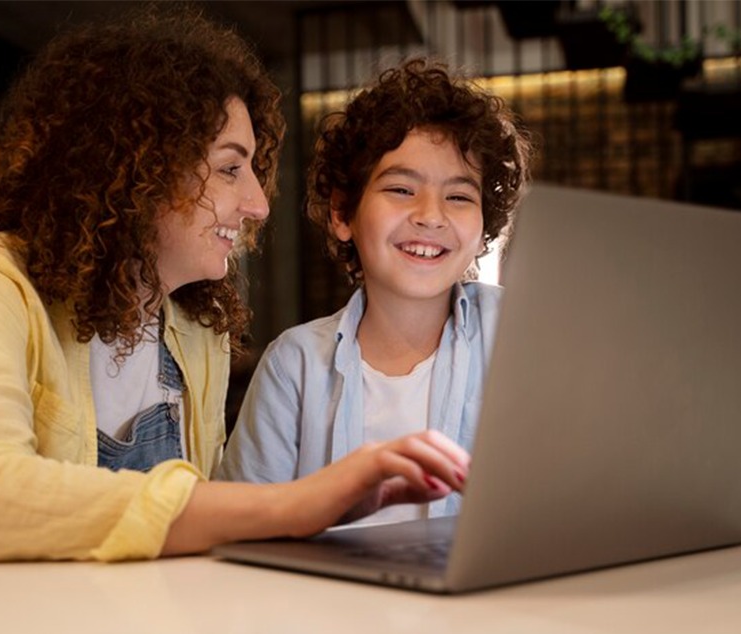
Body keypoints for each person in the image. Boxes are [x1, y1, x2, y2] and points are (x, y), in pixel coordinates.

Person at [0, 9, 470, 568]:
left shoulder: (198, 334)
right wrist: (295, 502)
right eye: (228, 169)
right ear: (136, 169)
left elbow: (187, 537)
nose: (256, 204)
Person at [216, 58, 534, 524]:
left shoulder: (523, 334)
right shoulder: (295, 366)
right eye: (402, 189)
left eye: (460, 196)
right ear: (344, 214)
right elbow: (239, 523)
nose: (431, 215)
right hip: (327, 597)